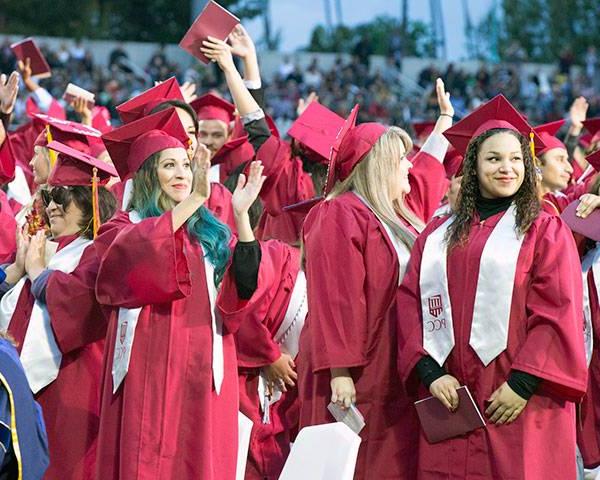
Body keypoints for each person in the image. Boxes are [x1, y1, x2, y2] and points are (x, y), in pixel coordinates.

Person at [396, 94, 588, 480]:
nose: (507, 168)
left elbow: (558, 311)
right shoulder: (437, 236)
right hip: (453, 403)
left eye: (516, 158)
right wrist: (431, 374)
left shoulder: (543, 231)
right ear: (473, 166)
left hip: (520, 404)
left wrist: (522, 383)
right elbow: (410, 304)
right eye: (494, 159)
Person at [294, 78, 453, 479]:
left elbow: (426, 177)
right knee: (356, 464)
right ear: (378, 165)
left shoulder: (394, 216)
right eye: (401, 159)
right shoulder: (341, 213)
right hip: (358, 369)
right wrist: (340, 370)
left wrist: (445, 122)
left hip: (390, 365)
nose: (410, 166)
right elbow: (336, 297)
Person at [94, 109, 262, 479]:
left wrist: (242, 215)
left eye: (186, 165)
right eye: (169, 165)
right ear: (148, 176)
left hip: (202, 366)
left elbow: (242, 288)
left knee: (195, 458)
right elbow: (130, 258)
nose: (182, 174)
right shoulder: (124, 226)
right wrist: (194, 201)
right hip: (147, 368)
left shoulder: (209, 233)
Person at [0, 141, 117, 479]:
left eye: (61, 198)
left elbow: (81, 308)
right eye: (49, 198)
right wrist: (22, 270)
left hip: (72, 381)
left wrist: (38, 275)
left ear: (88, 203)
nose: (51, 207)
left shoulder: (97, 251)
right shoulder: (47, 249)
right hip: (28, 383)